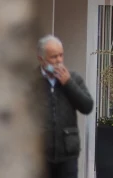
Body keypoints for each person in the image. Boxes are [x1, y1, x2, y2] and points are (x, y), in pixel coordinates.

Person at [37, 35, 94, 178]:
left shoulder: (74, 78)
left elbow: (87, 106)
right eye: (53, 57)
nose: (59, 61)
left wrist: (68, 84)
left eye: (61, 55)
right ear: (41, 59)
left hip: (67, 153)